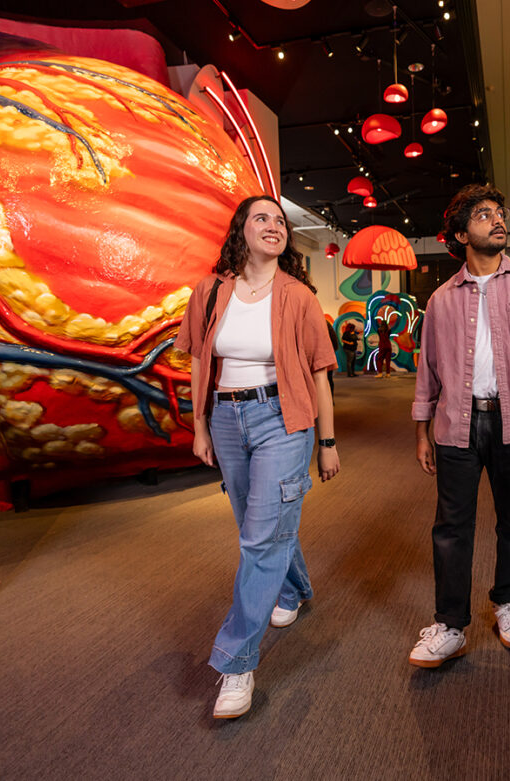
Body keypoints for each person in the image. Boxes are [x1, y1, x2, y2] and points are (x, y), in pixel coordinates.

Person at [174, 195, 340, 718]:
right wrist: (200, 425)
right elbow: (199, 362)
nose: (273, 225)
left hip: (282, 419)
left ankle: (237, 662)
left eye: (280, 220)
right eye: (261, 218)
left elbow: (319, 374)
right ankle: (295, 588)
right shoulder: (209, 291)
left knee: (259, 537)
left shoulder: (299, 296)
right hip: (226, 419)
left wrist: (327, 442)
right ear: (240, 231)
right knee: (259, 524)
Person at [408, 184, 510, 667]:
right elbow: (428, 370)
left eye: (500, 212)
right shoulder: (441, 300)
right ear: (461, 234)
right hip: (456, 424)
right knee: (451, 528)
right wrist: (421, 431)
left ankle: (507, 601)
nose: (498, 219)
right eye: (483, 215)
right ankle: (450, 624)